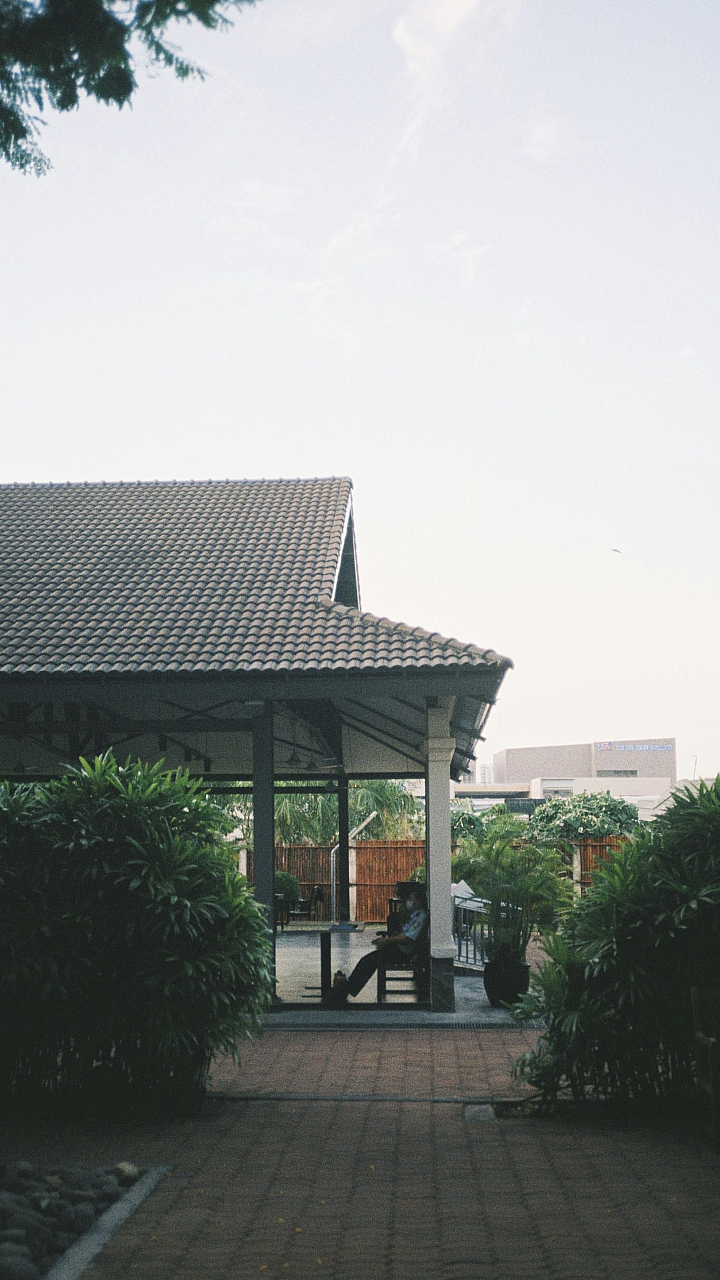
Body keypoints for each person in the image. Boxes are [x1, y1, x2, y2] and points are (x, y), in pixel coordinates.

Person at [329, 886, 428, 1003]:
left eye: (411, 899)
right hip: (399, 948)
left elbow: (408, 938)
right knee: (367, 960)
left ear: (418, 901)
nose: (408, 902)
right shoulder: (414, 915)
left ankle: (346, 990)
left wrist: (386, 941)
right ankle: (347, 989)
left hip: (403, 953)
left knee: (369, 961)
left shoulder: (421, 917)